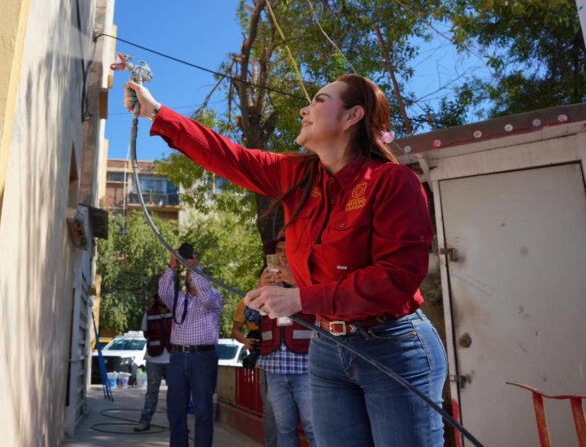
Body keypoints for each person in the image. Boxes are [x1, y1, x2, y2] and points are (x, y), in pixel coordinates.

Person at [126, 75, 447, 447]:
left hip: (393, 345)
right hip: (327, 347)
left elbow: (396, 280)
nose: (304, 109)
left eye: (319, 100)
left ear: (352, 116)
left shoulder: (394, 181)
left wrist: (298, 299)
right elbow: (228, 155)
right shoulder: (297, 175)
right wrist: (156, 112)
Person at [249, 238, 316, 447]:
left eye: (288, 250)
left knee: (314, 427)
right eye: (279, 250)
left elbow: (322, 308)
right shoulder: (267, 282)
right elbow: (250, 317)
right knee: (284, 428)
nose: (283, 255)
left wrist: (295, 282)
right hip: (275, 367)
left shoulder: (308, 278)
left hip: (306, 366)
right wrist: (260, 286)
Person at [158, 244, 222, 447]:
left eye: (194, 272)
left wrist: (195, 267)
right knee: (175, 410)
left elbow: (207, 297)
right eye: (189, 273)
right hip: (178, 357)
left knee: (203, 411)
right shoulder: (179, 299)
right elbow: (163, 292)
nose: (191, 276)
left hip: (203, 358)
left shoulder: (215, 297)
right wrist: (172, 266)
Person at [231, 291, 277, 447]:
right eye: (267, 278)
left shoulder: (287, 295)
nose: (273, 279)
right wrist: (246, 341)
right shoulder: (247, 302)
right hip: (263, 357)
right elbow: (235, 330)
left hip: (289, 357)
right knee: (269, 408)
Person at [134, 294, 173, 432]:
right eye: (161, 296)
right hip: (153, 359)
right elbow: (146, 334)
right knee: (152, 392)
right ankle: (144, 421)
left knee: (175, 393)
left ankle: (177, 425)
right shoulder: (149, 314)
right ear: (156, 299)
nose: (164, 299)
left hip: (172, 358)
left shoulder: (175, 313)